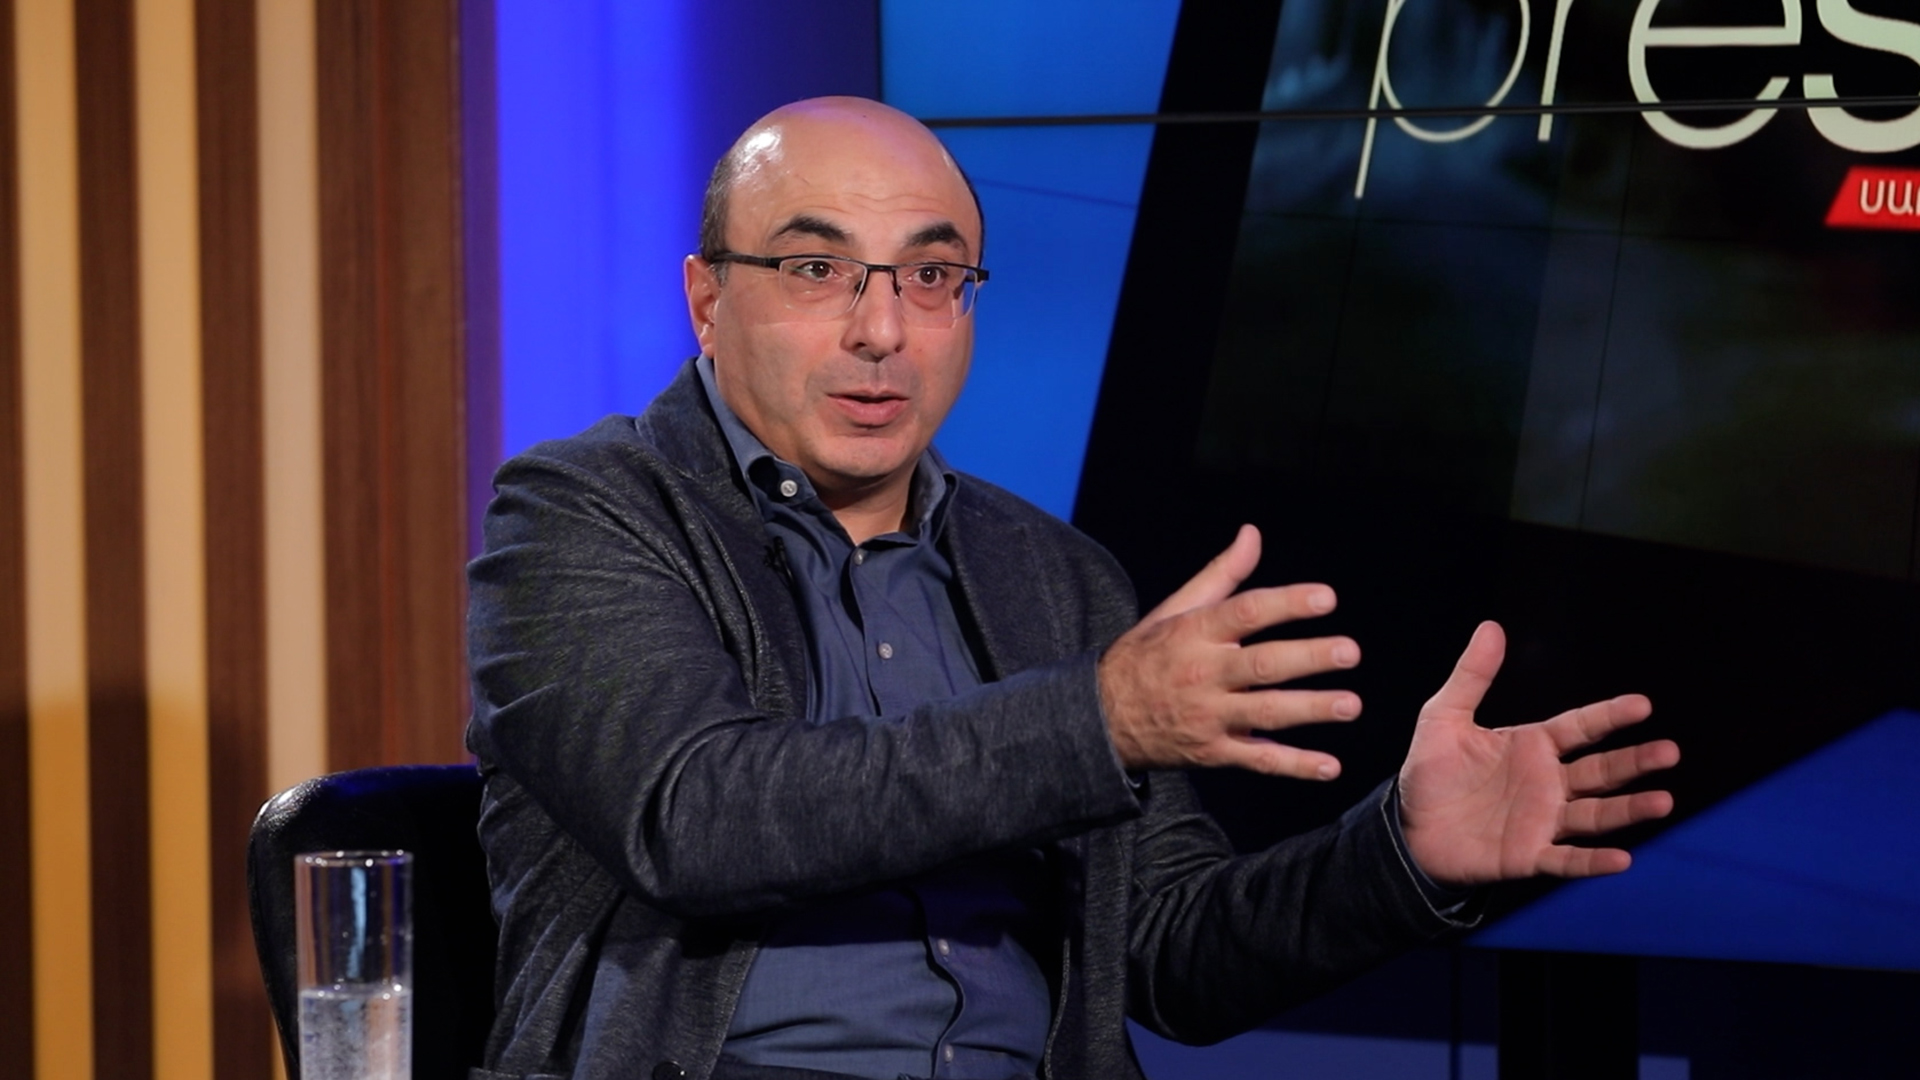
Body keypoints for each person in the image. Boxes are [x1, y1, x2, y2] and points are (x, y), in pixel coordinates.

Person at [464, 96, 1679, 1080]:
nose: (882, 330)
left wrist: (1399, 856)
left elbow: (1168, 954)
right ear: (707, 298)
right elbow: (699, 820)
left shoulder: (1051, 575)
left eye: (931, 278)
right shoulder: (581, 512)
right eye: (818, 268)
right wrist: (1096, 720)